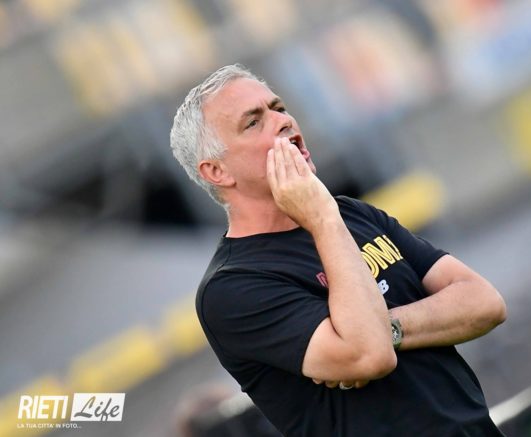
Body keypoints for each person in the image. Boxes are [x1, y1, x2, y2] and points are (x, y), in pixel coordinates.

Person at [170, 64, 507, 436]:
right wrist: (322, 219)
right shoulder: (231, 286)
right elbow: (369, 355)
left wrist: (388, 327)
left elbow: (484, 302)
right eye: (253, 122)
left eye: (278, 108)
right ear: (217, 171)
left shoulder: (351, 213)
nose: (282, 122)